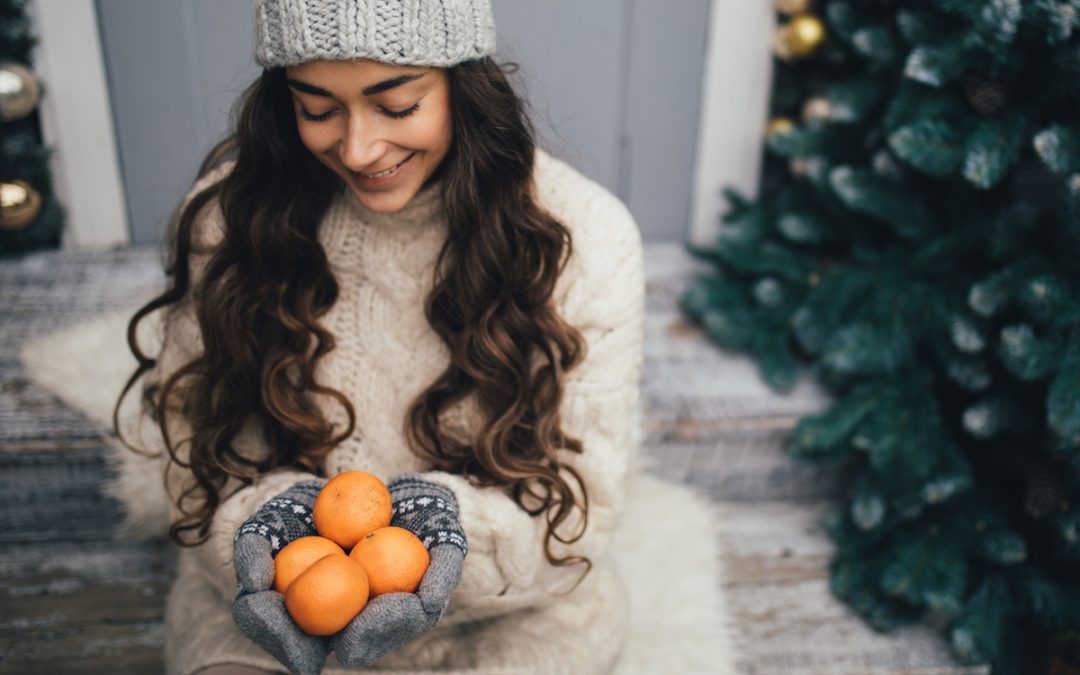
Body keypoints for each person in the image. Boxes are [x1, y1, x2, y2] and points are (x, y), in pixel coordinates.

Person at [114, 1, 644, 673]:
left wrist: (436, 543)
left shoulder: (586, 238)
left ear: (464, 85)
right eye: (317, 108)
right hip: (271, 609)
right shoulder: (231, 224)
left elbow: (581, 515)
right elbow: (198, 474)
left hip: (512, 613)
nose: (359, 148)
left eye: (396, 107)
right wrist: (272, 539)